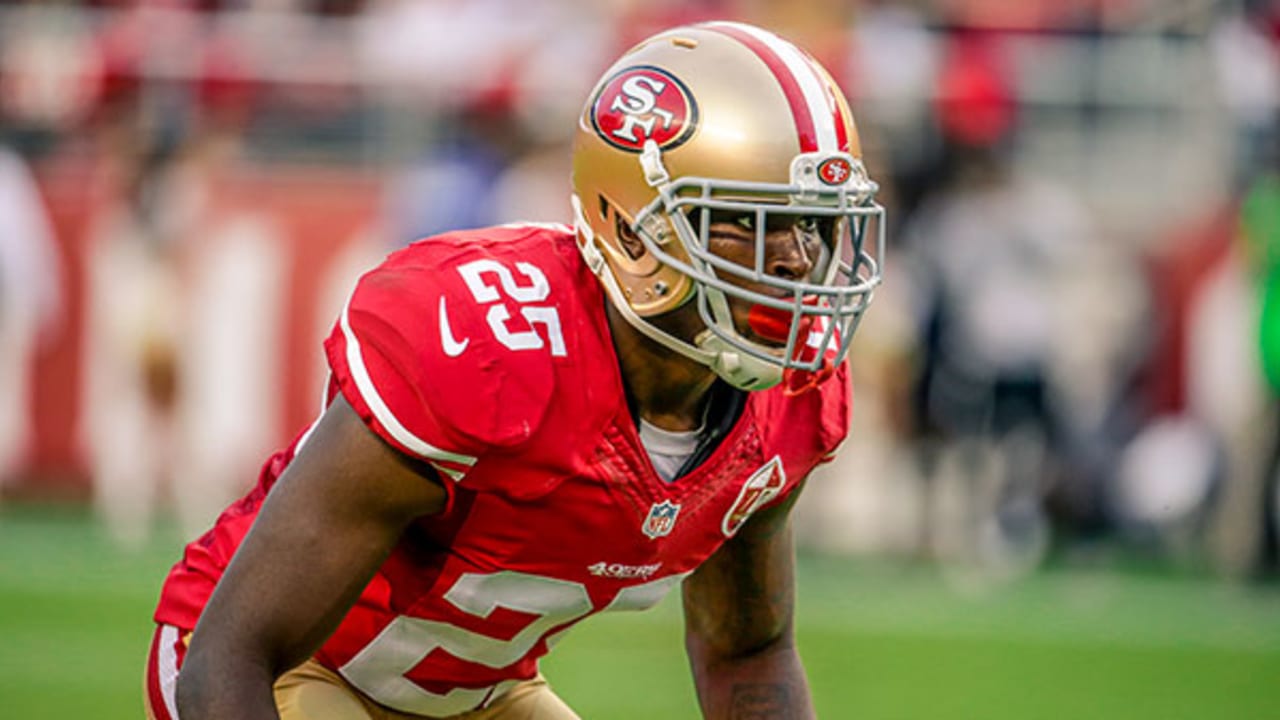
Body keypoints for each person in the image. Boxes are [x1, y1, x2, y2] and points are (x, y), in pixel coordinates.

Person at [145, 21, 884, 720]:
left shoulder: (781, 404)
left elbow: (747, 650)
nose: (795, 259)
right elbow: (232, 653)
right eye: (754, 224)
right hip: (284, 669)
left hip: (473, 699)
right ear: (634, 228)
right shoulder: (489, 348)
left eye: (815, 224)